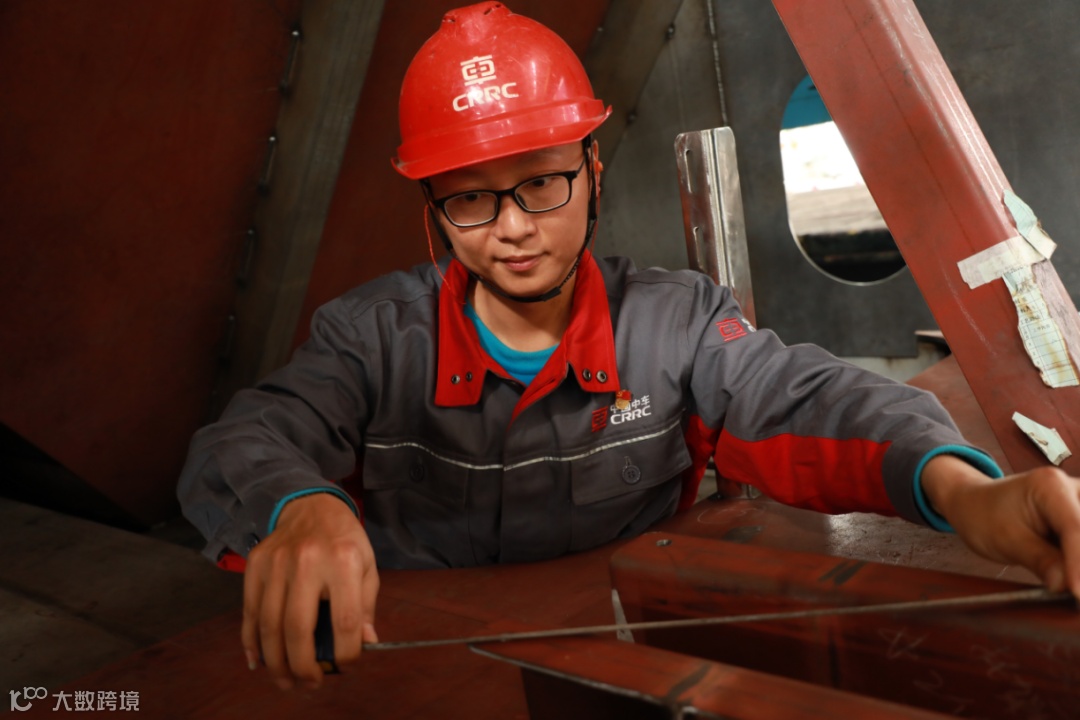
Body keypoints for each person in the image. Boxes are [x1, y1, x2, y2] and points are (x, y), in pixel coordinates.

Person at [177, 1, 1080, 692]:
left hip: (617, 670)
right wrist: (299, 507)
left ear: (592, 174)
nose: (512, 228)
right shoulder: (372, 338)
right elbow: (241, 441)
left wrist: (964, 491)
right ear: (434, 214)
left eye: (542, 183)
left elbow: (811, 402)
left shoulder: (675, 324)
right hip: (410, 679)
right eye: (471, 198)